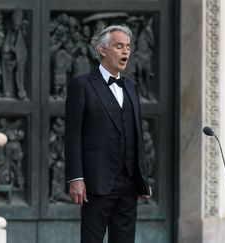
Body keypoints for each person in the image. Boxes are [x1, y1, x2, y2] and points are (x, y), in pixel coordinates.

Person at [65, 25, 152, 243]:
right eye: (119, 46)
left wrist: (142, 177)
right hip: (96, 182)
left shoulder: (131, 86)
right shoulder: (82, 86)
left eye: (128, 47)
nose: (126, 52)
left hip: (128, 183)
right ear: (103, 50)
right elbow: (72, 135)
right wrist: (76, 178)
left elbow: (136, 134)